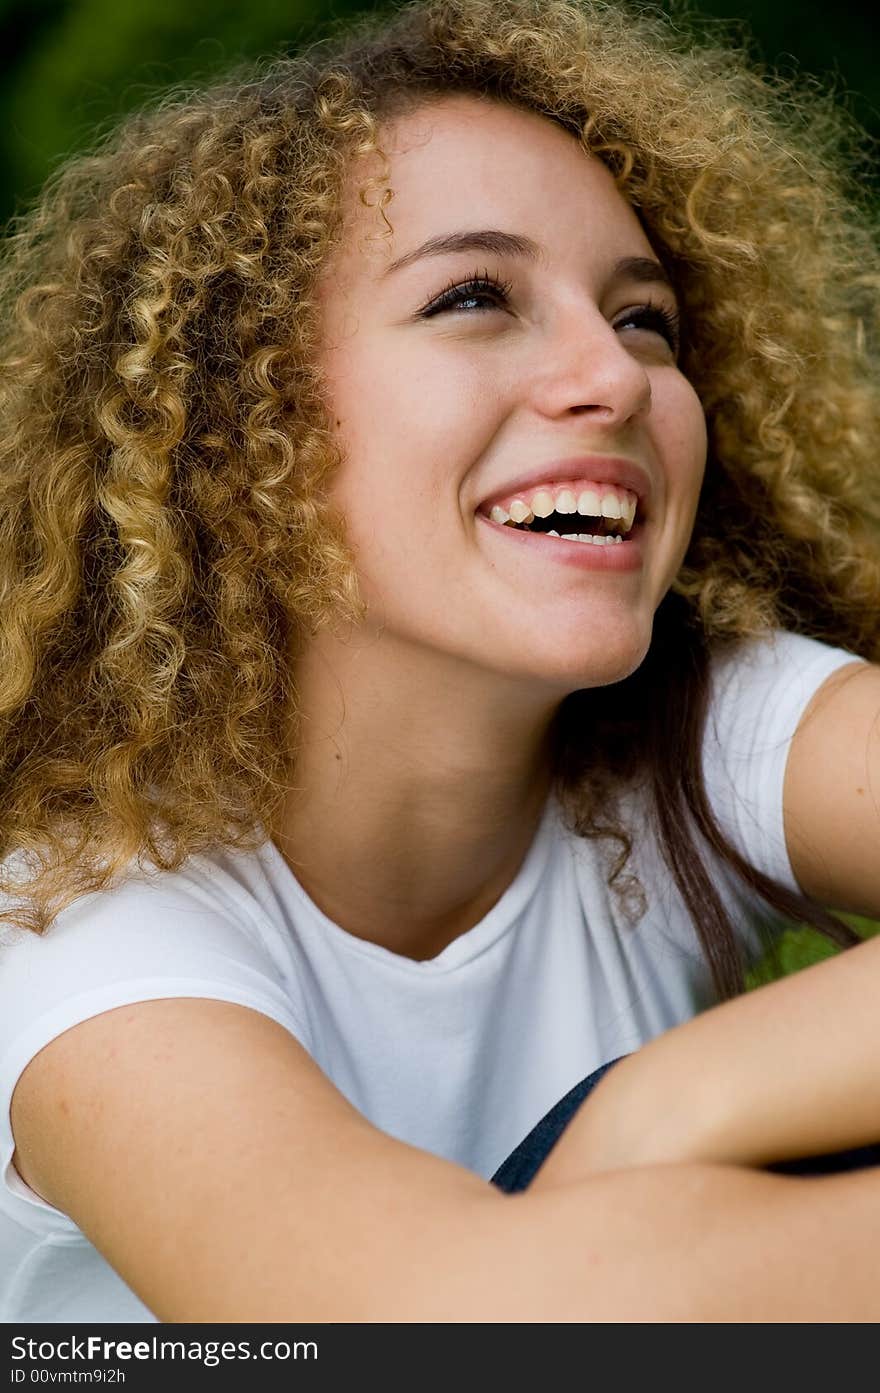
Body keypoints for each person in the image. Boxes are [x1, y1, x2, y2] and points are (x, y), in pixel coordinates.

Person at [1, 0, 880, 1323]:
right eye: (474, 297)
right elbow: (446, 1318)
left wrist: (673, 1104)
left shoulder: (701, 729)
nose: (615, 376)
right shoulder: (78, 924)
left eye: (648, 320)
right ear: (238, 437)